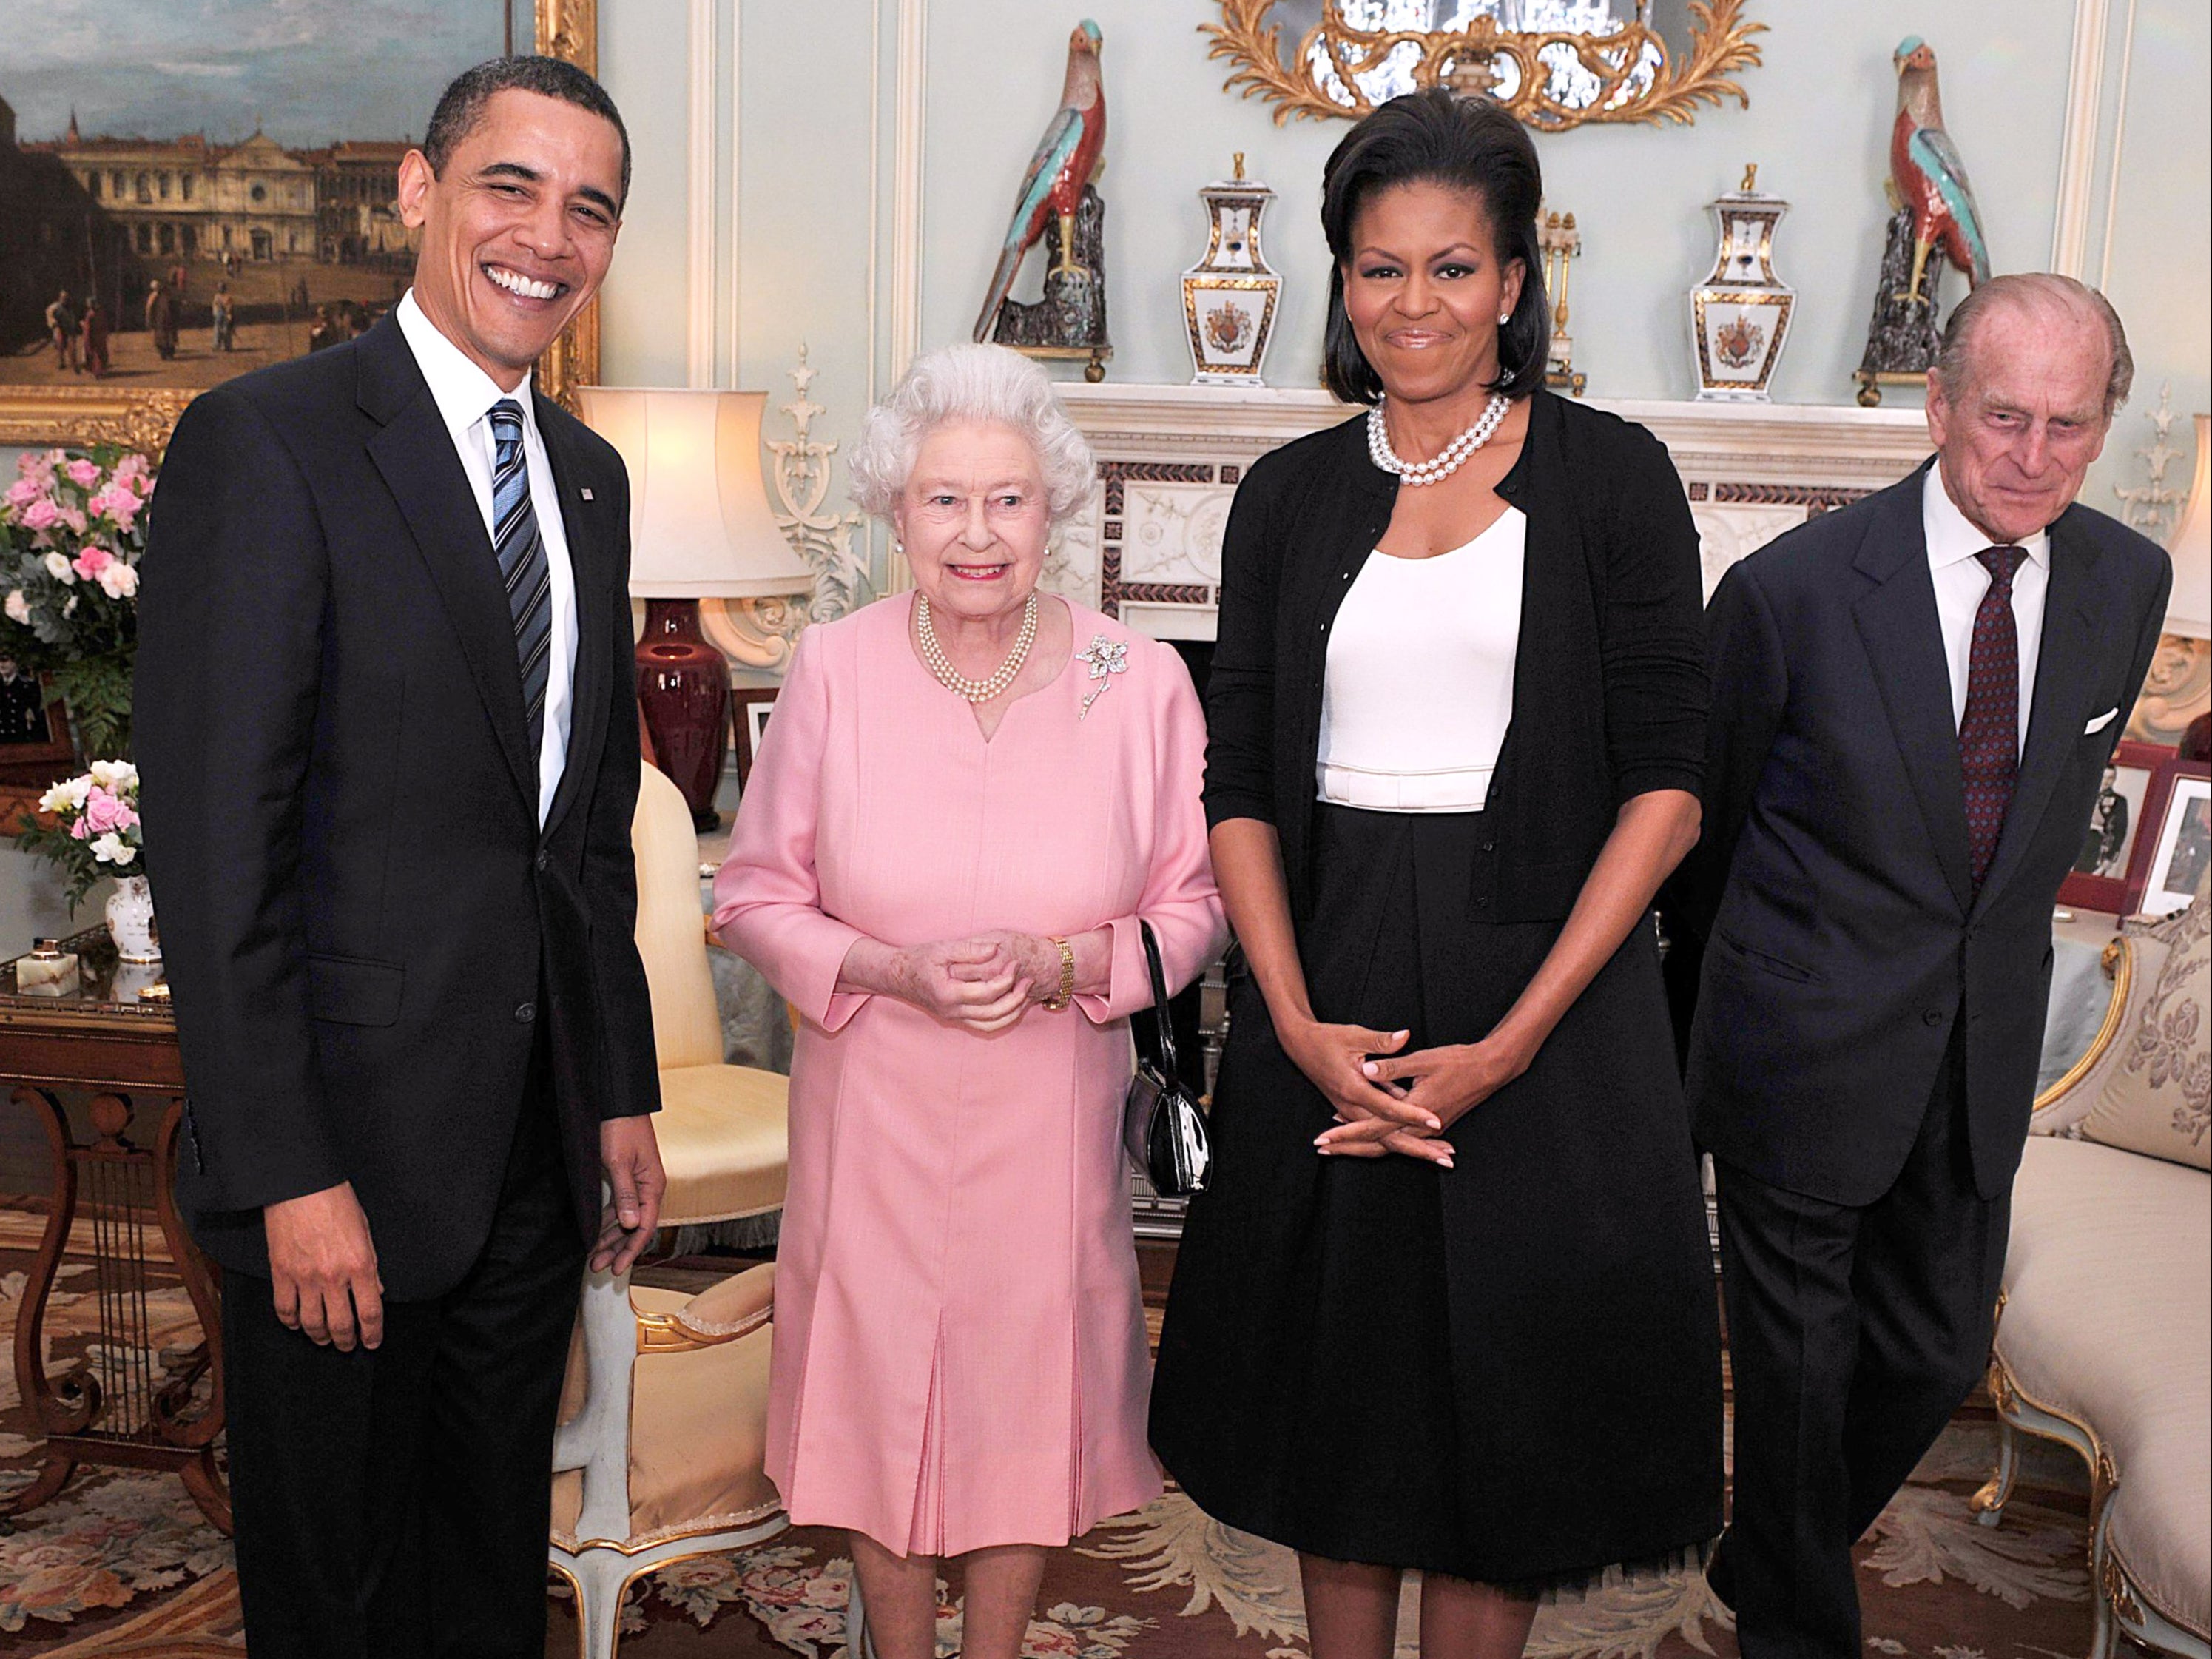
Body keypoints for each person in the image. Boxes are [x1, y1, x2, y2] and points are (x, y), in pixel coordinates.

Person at [1150, 88, 1723, 1659]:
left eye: (1453, 268)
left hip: (1548, 999)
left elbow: (1667, 790)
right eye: (1381, 267)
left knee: (1509, 1428)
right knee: (1344, 1409)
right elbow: (1241, 780)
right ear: (1340, 282)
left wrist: (1519, 1042)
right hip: (1328, 988)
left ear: (1516, 284)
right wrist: (1285, 1018)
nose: (1417, 304)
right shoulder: (1284, 496)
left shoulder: (1613, 478)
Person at [135, 55, 662, 1658]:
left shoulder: (587, 475)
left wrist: (617, 1084)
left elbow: (581, 826)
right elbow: (218, 852)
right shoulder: (266, 444)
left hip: (523, 1147)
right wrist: (289, 1168)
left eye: (592, 209)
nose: (549, 238)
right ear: (420, 193)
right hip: (340, 1160)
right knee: (338, 1593)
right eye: (513, 186)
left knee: (480, 1569)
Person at [1673, 273, 2171, 1658]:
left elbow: (2034, 821)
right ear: (1938, 403)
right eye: (2003, 414)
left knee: (1938, 1353)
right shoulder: (1793, 591)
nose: (2032, 453)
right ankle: (1797, 1624)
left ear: (2103, 427)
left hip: (1976, 1048)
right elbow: (1705, 828)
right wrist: (1764, 986)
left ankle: (1765, 1546)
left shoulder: (2130, 581)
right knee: (1795, 1373)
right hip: (1799, 1036)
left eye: (2069, 425)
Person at [715, 343, 1224, 1659]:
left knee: (1019, 1398)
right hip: (873, 1097)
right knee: (877, 1389)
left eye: (1008, 499)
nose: (977, 533)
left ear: (1052, 510)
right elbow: (756, 896)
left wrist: (1066, 964)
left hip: (1049, 1109)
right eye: (945, 499)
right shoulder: (832, 668)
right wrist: (889, 967)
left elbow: (1194, 913)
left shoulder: (1141, 681)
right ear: (896, 511)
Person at [2075, 763, 2128, 874]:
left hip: (2097, 847)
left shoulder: (2119, 802)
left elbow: (2120, 831)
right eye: (2103, 777)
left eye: (2110, 778)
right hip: (2075, 842)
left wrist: (2110, 858)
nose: (2106, 781)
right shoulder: (2083, 794)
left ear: (2114, 779)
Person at [44, 289, 79, 372]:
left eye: (66, 297)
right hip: (59, 329)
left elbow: (73, 317)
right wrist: (54, 323)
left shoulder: (70, 307)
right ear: (60, 298)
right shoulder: (55, 307)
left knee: (72, 347)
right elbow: (49, 314)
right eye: (63, 297)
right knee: (60, 346)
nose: (65, 299)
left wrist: (74, 325)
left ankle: (73, 363)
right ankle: (62, 362)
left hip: (69, 329)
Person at [146, 279, 178, 360]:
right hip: (161, 321)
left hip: (163, 321)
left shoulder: (164, 297)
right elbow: (150, 310)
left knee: (165, 339)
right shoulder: (157, 297)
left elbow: (150, 310)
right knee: (164, 339)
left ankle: (167, 354)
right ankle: (165, 354)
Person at [79, 295, 109, 377]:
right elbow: (105, 324)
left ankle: (97, 372)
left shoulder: (90, 314)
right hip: (100, 336)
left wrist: (83, 325)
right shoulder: (101, 312)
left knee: (94, 354)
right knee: (101, 353)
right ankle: (101, 370)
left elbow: (88, 328)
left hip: (93, 336)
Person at [210, 283, 235, 353]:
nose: (221, 289)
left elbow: (230, 307)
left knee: (226, 331)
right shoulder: (216, 296)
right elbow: (215, 306)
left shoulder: (228, 297)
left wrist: (229, 314)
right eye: (220, 287)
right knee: (217, 331)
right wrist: (215, 314)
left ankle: (228, 346)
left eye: (222, 287)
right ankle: (216, 345)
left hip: (226, 315)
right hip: (218, 315)